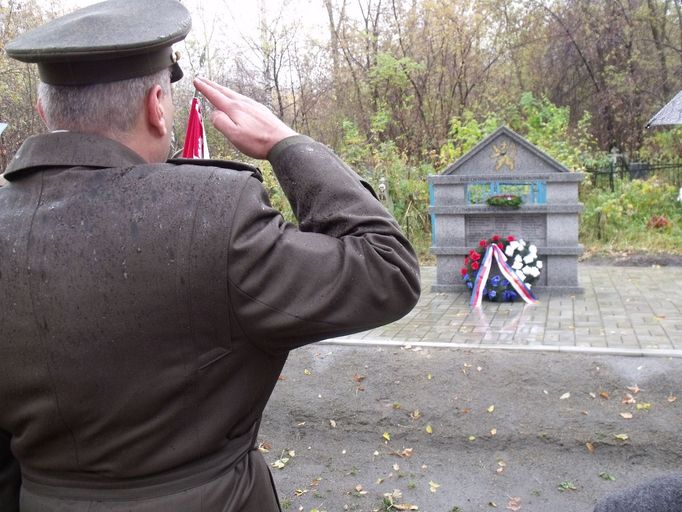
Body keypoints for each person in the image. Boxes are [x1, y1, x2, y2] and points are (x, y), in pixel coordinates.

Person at [0, 1, 421, 510]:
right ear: (157, 104)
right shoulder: (213, 216)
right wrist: (286, 145)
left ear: (46, 113)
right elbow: (387, 269)